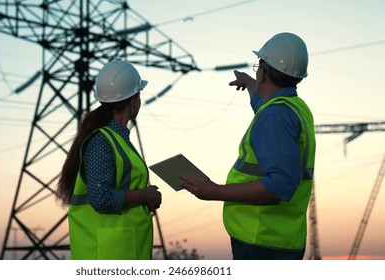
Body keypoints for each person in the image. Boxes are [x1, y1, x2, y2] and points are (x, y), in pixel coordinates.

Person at [179, 32, 316, 260]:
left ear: (263, 73)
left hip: (260, 240)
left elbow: (279, 186)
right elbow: (265, 107)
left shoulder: (274, 116)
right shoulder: (294, 107)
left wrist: (215, 191)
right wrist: (250, 83)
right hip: (281, 237)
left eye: (258, 67)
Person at [56, 60, 162, 260]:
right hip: (107, 255)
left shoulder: (115, 140)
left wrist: (143, 196)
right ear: (133, 102)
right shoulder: (101, 142)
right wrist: (144, 196)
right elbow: (101, 198)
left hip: (121, 251)